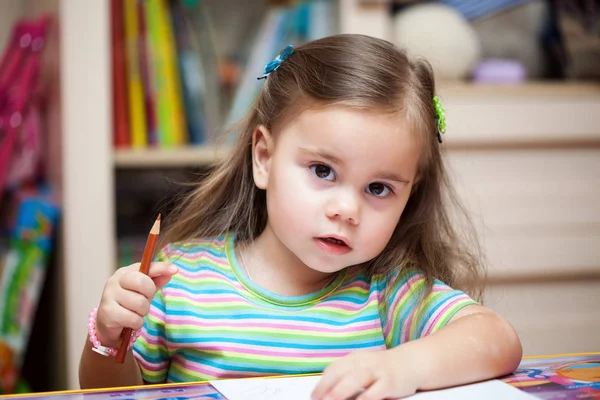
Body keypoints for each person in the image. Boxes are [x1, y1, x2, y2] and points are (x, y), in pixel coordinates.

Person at [79, 34, 522, 400]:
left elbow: (498, 339)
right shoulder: (182, 282)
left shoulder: (389, 293)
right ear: (265, 158)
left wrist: (403, 366)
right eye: (323, 171)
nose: (347, 210)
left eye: (379, 188)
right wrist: (106, 338)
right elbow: (111, 395)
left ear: (411, 194)